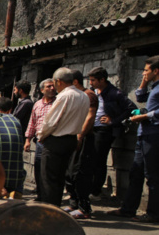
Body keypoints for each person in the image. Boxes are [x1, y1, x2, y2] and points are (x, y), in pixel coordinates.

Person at [108, 56, 159, 222]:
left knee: (152, 176)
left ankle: (153, 214)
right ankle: (128, 209)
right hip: (143, 134)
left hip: (153, 135)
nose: (143, 73)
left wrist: (145, 116)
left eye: (146, 71)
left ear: (156, 71)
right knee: (135, 173)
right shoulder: (154, 87)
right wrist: (144, 82)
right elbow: (140, 97)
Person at [38, 68, 90, 207]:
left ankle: (49, 209)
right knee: (60, 177)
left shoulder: (64, 96)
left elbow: (50, 121)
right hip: (71, 140)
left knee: (49, 178)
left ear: (58, 81)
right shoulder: (83, 95)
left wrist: (41, 135)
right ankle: (55, 207)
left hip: (56, 140)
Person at [88, 66, 137, 200]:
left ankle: (96, 191)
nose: (90, 83)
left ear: (102, 79)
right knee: (89, 159)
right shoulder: (94, 92)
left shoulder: (115, 93)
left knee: (99, 159)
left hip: (104, 131)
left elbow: (131, 108)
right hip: (92, 128)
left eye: (93, 80)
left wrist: (114, 121)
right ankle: (90, 188)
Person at [64, 70, 99, 218]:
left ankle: (84, 207)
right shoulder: (76, 96)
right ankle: (74, 203)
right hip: (73, 136)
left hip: (83, 138)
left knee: (80, 172)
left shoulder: (88, 95)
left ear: (75, 82)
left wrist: (80, 136)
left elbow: (90, 116)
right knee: (70, 173)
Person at [24, 79, 57, 201]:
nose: (52, 88)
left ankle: (49, 196)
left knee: (50, 169)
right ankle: (40, 194)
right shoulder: (37, 104)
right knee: (38, 167)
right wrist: (27, 140)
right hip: (39, 142)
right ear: (42, 90)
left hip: (53, 140)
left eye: (53, 86)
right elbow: (32, 123)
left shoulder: (58, 103)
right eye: (48, 87)